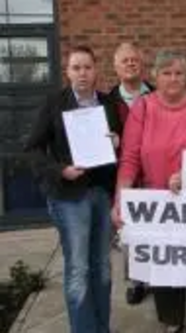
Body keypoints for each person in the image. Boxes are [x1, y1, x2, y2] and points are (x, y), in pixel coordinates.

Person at [113, 50, 186, 333]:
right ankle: (172, 319)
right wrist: (121, 200)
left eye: (178, 72)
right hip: (157, 201)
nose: (173, 78)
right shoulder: (143, 108)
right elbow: (129, 158)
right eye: (166, 73)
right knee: (165, 263)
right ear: (155, 77)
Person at [25, 45, 121, 333]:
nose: (82, 73)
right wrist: (60, 171)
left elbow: (120, 147)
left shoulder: (107, 104)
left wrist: (117, 142)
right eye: (76, 68)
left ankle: (101, 328)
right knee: (79, 269)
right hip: (70, 198)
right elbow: (32, 149)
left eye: (87, 67)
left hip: (102, 194)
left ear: (96, 71)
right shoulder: (54, 103)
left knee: (102, 267)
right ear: (67, 72)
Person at [108, 42, 154, 306]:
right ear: (116, 67)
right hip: (124, 174)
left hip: (154, 174)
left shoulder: (157, 96)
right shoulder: (106, 102)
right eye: (124, 60)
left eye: (134, 59)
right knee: (130, 232)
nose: (130, 64)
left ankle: (159, 278)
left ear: (142, 63)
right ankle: (137, 281)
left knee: (156, 229)